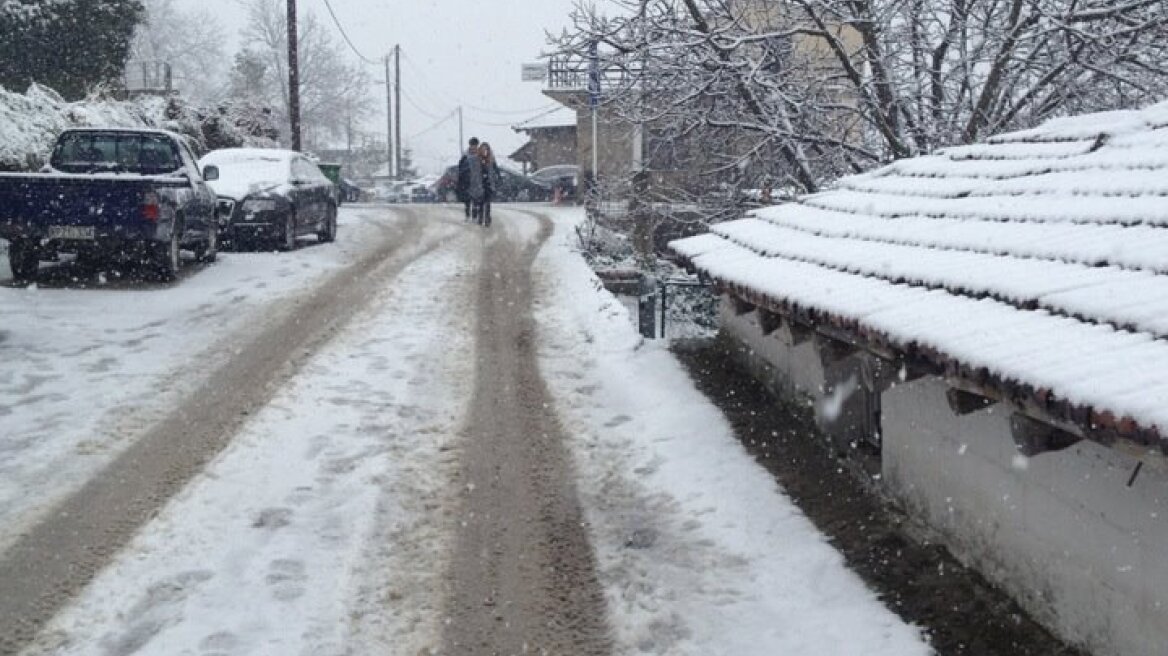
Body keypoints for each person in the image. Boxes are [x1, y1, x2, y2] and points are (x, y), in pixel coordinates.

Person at [456, 137, 484, 221]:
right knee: (467, 199)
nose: (474, 147)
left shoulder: (480, 155)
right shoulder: (465, 156)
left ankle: (474, 216)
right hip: (467, 180)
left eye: (475, 145)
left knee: (476, 199)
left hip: (477, 180)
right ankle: (467, 215)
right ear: (470, 145)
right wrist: (461, 178)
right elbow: (460, 168)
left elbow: (484, 167)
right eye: (472, 145)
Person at [477, 142, 500, 227]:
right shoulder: (478, 159)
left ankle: (487, 219)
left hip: (488, 184)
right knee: (480, 202)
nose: (484, 151)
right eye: (483, 149)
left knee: (487, 202)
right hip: (479, 184)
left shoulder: (491, 160)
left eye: (486, 149)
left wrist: (497, 178)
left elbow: (496, 170)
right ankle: (480, 218)